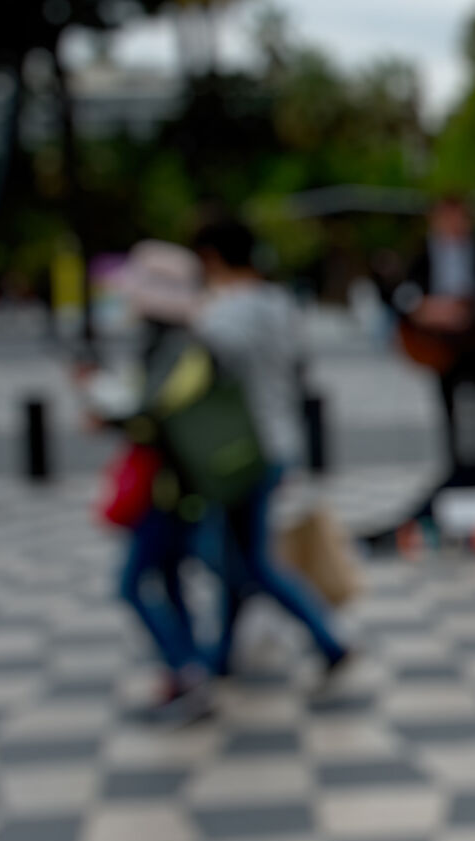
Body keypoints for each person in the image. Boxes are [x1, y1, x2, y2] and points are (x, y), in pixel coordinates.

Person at [191, 218, 349, 685]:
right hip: (281, 441)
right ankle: (219, 654)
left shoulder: (222, 315)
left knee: (243, 558)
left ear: (213, 258)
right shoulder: (282, 305)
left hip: (238, 448)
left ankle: (327, 637)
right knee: (239, 549)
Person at [86, 244, 212, 722]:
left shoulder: (180, 349)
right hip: (176, 485)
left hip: (173, 488)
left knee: (133, 584)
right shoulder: (170, 346)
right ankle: (187, 669)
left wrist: (112, 416)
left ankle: (187, 671)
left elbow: (156, 417)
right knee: (171, 580)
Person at [393, 195, 475, 473]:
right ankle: (453, 467)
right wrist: (428, 308)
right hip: (440, 342)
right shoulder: (422, 252)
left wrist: (471, 312)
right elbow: (403, 292)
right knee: (448, 409)